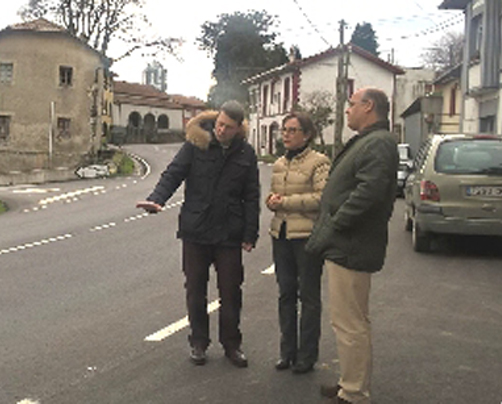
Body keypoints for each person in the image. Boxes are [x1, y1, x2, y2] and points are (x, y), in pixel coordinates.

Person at [136, 100, 260, 368]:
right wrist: (157, 199)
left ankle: (232, 345)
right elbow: (173, 174)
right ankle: (199, 343)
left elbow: (252, 196)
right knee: (195, 291)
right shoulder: (196, 145)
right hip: (196, 230)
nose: (221, 130)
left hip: (229, 234)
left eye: (227, 127)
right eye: (219, 124)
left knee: (231, 292)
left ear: (238, 128)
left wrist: (250, 233)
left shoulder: (245, 153)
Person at [305, 87, 398, 404]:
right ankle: (350, 383)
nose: (347, 110)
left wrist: (336, 222)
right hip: (349, 244)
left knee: (350, 323)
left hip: (351, 245)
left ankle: (355, 392)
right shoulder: (373, 141)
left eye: (352, 104)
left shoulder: (378, 143)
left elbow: (368, 193)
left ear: (369, 106)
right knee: (352, 320)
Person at [266, 112, 330, 374]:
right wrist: (270, 201)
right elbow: (274, 196)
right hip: (280, 234)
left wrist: (286, 203)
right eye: (284, 130)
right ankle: (286, 352)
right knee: (286, 295)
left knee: (309, 298)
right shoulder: (279, 163)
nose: (287, 135)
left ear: (307, 134)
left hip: (306, 237)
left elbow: (321, 198)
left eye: (293, 130)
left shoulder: (319, 162)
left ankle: (307, 356)